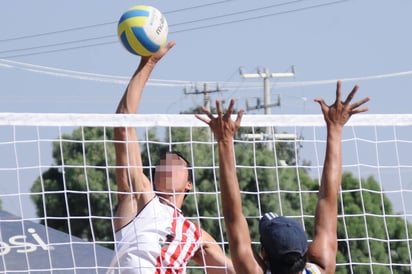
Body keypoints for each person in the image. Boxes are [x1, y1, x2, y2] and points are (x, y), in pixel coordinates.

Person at [196, 81, 370, 274]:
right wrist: (336, 128)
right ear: (305, 253)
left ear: (264, 254)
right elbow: (328, 198)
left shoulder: (321, 268)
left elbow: (233, 217)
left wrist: (225, 141)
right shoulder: (320, 268)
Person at [108, 41, 234, 274]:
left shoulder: (195, 234)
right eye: (162, 162)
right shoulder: (140, 198)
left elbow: (238, 269)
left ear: (189, 185)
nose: (168, 161)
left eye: (178, 161)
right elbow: (124, 124)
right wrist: (148, 63)